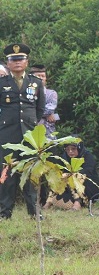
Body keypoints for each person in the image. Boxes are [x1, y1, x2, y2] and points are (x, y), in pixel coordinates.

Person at [0, 43, 46, 219]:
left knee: (31, 174)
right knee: (7, 174)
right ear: (8, 63)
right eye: (13, 60)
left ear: (26, 62)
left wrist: (31, 123)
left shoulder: (35, 82)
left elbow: (39, 108)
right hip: (7, 135)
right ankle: (5, 213)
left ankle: (34, 212)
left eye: (21, 59)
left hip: (30, 135)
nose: (17, 62)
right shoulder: (2, 82)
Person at [44, 138, 99, 210]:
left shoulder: (87, 156)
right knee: (57, 179)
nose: (70, 152)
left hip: (88, 188)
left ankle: (78, 202)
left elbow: (88, 171)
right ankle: (48, 202)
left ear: (79, 148)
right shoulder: (64, 158)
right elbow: (61, 171)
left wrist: (72, 175)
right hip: (70, 189)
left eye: (73, 149)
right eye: (67, 149)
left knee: (75, 177)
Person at [29, 65, 59, 139]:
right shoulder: (26, 93)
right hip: (31, 134)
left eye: (43, 76)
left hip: (48, 136)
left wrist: (30, 111)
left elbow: (49, 110)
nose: (41, 78)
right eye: (38, 76)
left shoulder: (51, 93)